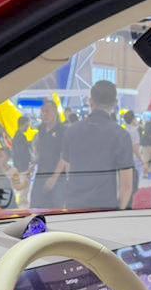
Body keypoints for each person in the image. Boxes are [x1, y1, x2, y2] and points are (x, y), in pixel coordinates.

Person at [50, 80, 133, 210]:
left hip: (75, 206)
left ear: (90, 101)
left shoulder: (71, 131)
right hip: (105, 208)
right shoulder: (121, 135)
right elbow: (126, 186)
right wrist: (118, 212)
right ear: (114, 103)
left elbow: (68, 171)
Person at [31, 100, 65, 209]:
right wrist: (33, 164)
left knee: (55, 208)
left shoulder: (62, 130)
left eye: (47, 111)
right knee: (35, 205)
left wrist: (54, 178)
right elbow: (40, 151)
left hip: (57, 176)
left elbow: (64, 156)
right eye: (42, 111)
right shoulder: (41, 129)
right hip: (41, 173)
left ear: (55, 112)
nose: (44, 114)